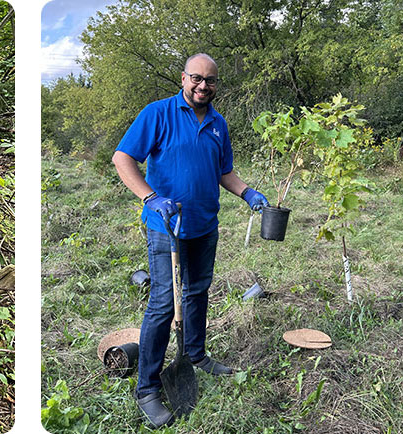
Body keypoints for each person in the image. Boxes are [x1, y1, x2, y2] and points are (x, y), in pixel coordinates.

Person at [112, 53, 269, 428]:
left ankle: (195, 355)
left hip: (204, 226)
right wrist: (151, 197)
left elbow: (224, 172)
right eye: (196, 78)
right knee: (164, 304)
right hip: (165, 227)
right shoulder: (158, 113)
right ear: (183, 78)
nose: (203, 86)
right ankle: (147, 389)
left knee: (198, 291)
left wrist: (247, 193)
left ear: (216, 85)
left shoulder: (219, 124)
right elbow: (122, 159)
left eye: (210, 81)